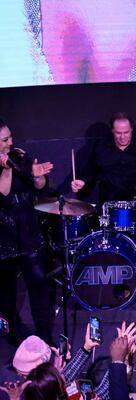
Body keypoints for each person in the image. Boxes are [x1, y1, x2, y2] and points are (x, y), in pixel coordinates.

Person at [0, 118, 54, 346]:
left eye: (10, 137)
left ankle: (45, 338)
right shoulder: (10, 165)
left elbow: (40, 187)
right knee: (7, 293)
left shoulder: (21, 156)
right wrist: (6, 168)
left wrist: (39, 177)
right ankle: (14, 337)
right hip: (4, 234)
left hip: (28, 229)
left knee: (39, 286)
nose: (11, 142)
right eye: (5, 140)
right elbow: (3, 193)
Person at [71, 112, 136, 203]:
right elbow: (91, 171)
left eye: (126, 132)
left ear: (131, 129)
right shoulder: (101, 147)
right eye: (118, 133)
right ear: (112, 130)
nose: (122, 137)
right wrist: (83, 182)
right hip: (109, 200)